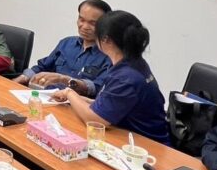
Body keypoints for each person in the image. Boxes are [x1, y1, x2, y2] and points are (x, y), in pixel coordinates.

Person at [51, 10, 169, 144]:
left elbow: (95, 120)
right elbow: (108, 103)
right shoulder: (134, 63)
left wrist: (69, 93)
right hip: (132, 136)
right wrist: (75, 99)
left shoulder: (125, 77)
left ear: (105, 40)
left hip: (146, 145)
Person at [13, 0, 112, 95]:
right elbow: (42, 66)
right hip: (47, 95)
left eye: (92, 23)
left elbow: (96, 88)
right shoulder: (66, 43)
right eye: (81, 20)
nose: (85, 26)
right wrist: (22, 78)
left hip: (75, 103)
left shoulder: (109, 55)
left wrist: (64, 80)